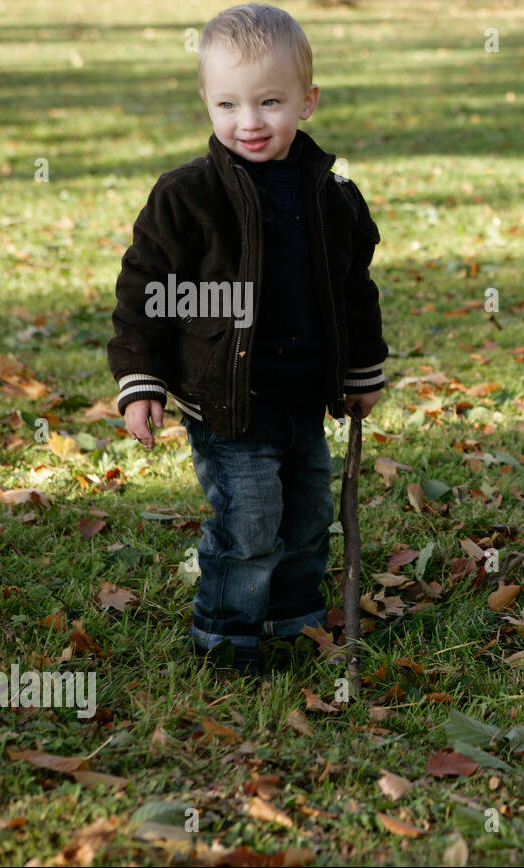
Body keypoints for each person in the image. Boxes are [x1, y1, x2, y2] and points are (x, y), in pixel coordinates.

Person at [107, 4, 387, 674]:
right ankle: (227, 633)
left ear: (307, 101)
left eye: (270, 102)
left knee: (307, 515)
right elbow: (145, 288)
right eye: (228, 103)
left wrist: (362, 370)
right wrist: (140, 381)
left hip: (303, 396)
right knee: (251, 521)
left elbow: (355, 289)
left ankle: (294, 618)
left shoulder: (333, 192)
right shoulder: (187, 196)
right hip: (228, 402)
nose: (249, 121)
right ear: (206, 99)